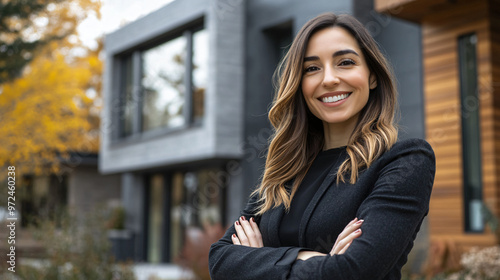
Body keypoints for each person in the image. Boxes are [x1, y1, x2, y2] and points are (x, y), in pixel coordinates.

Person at [209, 12, 435, 280]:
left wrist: (258, 261)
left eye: (346, 62)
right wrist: (309, 257)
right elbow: (220, 261)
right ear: (300, 84)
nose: (328, 79)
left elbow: (355, 271)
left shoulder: (405, 161)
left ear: (372, 76)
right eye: (312, 68)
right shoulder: (284, 172)